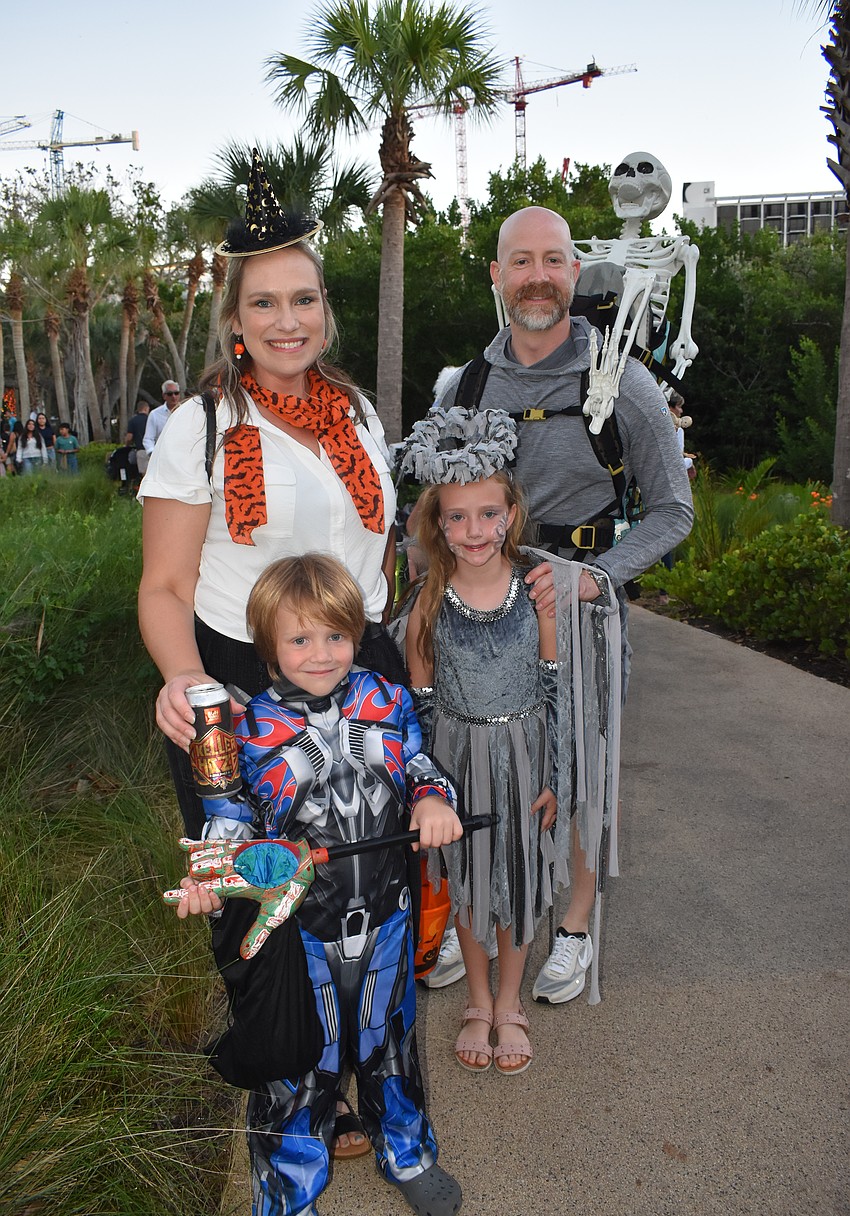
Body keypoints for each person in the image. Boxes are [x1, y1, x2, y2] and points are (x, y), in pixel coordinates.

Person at [137, 149, 405, 1160]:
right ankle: (278, 1093)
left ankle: (348, 1087)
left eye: (303, 299)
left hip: (357, 678)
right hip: (234, 684)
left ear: (325, 309)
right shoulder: (199, 426)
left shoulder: (360, 414)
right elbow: (163, 586)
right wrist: (180, 679)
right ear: (235, 318)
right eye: (264, 304)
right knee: (259, 897)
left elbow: (375, 561)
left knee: (356, 896)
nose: (287, 321)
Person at [430, 205, 694, 1005]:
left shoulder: (624, 381)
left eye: (553, 260)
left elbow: (673, 511)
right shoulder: (463, 386)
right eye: (520, 261)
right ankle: (469, 910)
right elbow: (432, 507)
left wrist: (599, 576)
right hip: (477, 612)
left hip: (576, 605)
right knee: (472, 759)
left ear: (574, 274)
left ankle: (572, 925)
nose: (537, 275)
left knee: (575, 766)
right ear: (497, 276)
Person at [175, 553, 464, 1216]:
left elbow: (420, 763)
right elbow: (228, 819)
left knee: (391, 1046)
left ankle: (406, 1149)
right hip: (302, 932)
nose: (320, 654)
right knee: (303, 1067)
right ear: (268, 643)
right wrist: (216, 873)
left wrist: (432, 798)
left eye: (335, 636)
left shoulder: (386, 699)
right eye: (299, 640)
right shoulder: (247, 728)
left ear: (356, 632)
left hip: (388, 915)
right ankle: (286, 1205)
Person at [400, 407, 564, 1074]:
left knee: (517, 880)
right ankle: (475, 995)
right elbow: (420, 704)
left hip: (524, 756)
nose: (475, 530)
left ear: (511, 513)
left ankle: (508, 1001)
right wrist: (426, 789)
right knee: (467, 879)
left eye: (488, 514)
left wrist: (556, 774)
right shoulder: (426, 603)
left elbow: (554, 689)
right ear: (438, 524)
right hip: (457, 760)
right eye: (458, 517)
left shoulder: (537, 593)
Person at [142, 380, 181, 453]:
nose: (173, 396)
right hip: (163, 456)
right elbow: (148, 439)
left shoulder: (186, 412)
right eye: (170, 394)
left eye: (176, 393)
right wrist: (152, 453)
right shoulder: (155, 414)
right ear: (164, 396)